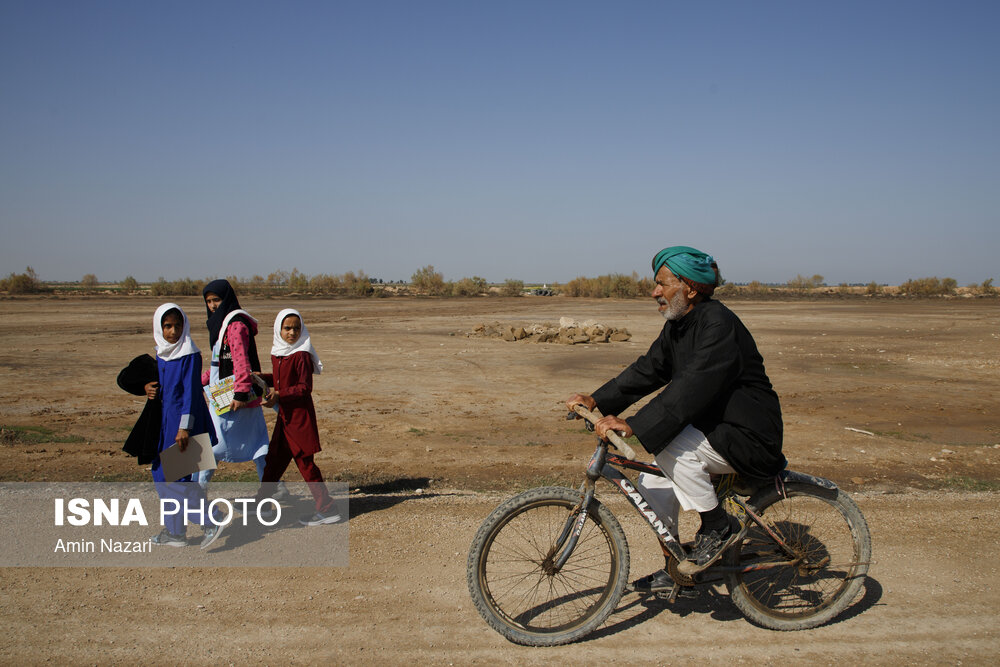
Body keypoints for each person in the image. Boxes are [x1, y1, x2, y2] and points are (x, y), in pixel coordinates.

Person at [566, 245, 784, 590]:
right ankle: (678, 570)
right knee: (652, 486)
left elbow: (693, 386)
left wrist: (634, 424)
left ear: (691, 288)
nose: (655, 292)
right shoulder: (681, 325)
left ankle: (717, 525)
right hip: (713, 429)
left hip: (748, 435)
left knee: (668, 446)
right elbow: (649, 370)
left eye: (662, 284)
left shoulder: (718, 324)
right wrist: (597, 399)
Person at [150, 303, 225, 548]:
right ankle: (175, 532)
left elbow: (192, 394)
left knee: (178, 479)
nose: (173, 331)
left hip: (184, 423)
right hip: (164, 423)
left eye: (177, 325)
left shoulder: (189, 353)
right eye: (167, 325)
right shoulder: (161, 353)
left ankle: (210, 520)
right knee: (161, 474)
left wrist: (184, 427)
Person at [255, 309, 340, 526]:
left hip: (299, 420)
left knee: (306, 464)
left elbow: (304, 388)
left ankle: (327, 508)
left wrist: (279, 395)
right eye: (287, 328)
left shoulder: (302, 354)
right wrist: (259, 377)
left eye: (296, 328)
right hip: (285, 419)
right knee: (273, 462)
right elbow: (279, 379)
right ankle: (261, 504)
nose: (292, 333)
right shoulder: (278, 353)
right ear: (278, 329)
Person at [197, 279, 270, 490]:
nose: (212, 306)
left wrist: (240, 393)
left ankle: (197, 493)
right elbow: (220, 362)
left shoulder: (235, 325)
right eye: (208, 301)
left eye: (216, 300)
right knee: (257, 447)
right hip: (231, 394)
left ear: (227, 299)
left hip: (234, 398)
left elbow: (240, 361)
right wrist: (199, 381)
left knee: (212, 445)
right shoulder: (223, 326)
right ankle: (273, 491)